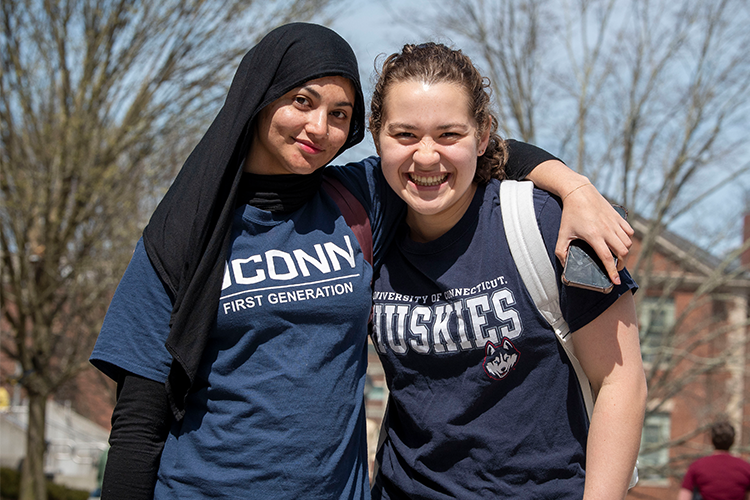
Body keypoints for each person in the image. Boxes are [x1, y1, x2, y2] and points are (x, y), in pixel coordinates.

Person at [90, 23, 633, 500]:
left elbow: (457, 147)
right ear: (258, 96)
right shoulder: (183, 233)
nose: (319, 127)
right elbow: (138, 421)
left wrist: (574, 187)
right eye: (302, 101)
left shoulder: (362, 196)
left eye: (338, 114)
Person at [365, 42, 648, 499]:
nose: (426, 156)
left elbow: (621, 379)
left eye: (449, 135)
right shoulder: (367, 235)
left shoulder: (549, 225)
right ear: (377, 136)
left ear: (482, 135)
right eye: (405, 135)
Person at [678, 421, 750, 500]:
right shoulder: (746, 468)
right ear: (733, 441)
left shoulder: (697, 466)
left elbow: (684, 496)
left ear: (711, 440)